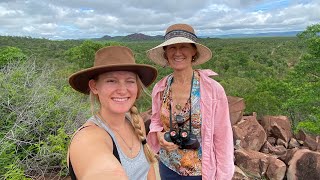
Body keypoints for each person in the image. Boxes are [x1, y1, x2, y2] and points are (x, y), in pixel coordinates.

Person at [146, 24, 235, 180]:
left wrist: (223, 176)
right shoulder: (161, 88)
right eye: (172, 47)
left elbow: (223, 138)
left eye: (184, 47)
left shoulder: (213, 90)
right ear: (166, 53)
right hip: (167, 166)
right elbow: (156, 121)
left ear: (194, 51)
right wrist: (159, 134)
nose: (178, 52)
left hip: (199, 172)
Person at [67, 46, 158, 180]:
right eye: (111, 81)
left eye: (130, 81)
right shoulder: (88, 138)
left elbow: (149, 170)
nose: (122, 90)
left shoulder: (135, 121)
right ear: (94, 87)